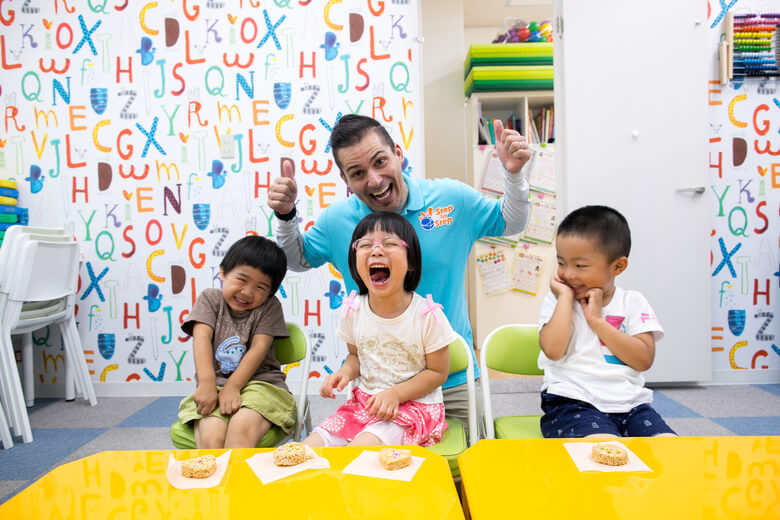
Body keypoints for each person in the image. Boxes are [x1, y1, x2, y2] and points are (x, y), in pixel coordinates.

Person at [268, 114, 532, 427]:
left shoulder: (450, 200)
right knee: (375, 470)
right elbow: (297, 259)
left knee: (466, 467)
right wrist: (286, 217)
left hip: (452, 378)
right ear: (345, 181)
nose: (375, 180)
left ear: (398, 152)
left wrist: (513, 177)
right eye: (358, 173)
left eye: (380, 161)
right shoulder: (337, 220)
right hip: (377, 385)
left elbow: (510, 221)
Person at [303, 212, 455, 447]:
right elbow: (356, 357)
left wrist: (395, 394)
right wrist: (344, 373)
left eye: (390, 243)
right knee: (309, 448)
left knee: (359, 449)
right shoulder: (353, 310)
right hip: (365, 405)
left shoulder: (428, 315)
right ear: (355, 260)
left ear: (411, 262)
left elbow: (437, 373)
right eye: (365, 245)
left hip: (413, 406)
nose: (376, 250)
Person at [537, 205, 676, 438]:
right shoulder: (558, 301)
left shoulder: (633, 301)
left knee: (670, 448)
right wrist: (565, 298)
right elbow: (552, 350)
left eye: (580, 265)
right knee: (604, 451)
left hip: (633, 406)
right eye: (562, 263)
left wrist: (597, 321)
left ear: (618, 266)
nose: (568, 274)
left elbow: (643, 360)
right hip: (573, 401)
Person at [177, 236, 297, 448]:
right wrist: (206, 383)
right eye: (241, 280)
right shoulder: (210, 299)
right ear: (223, 272)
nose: (247, 292)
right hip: (215, 385)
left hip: (263, 385)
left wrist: (233, 386)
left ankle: (242, 481)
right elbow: (201, 338)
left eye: (261, 287)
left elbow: (259, 348)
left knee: (240, 430)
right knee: (212, 437)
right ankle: (215, 482)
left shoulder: (269, 307)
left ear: (271, 292)